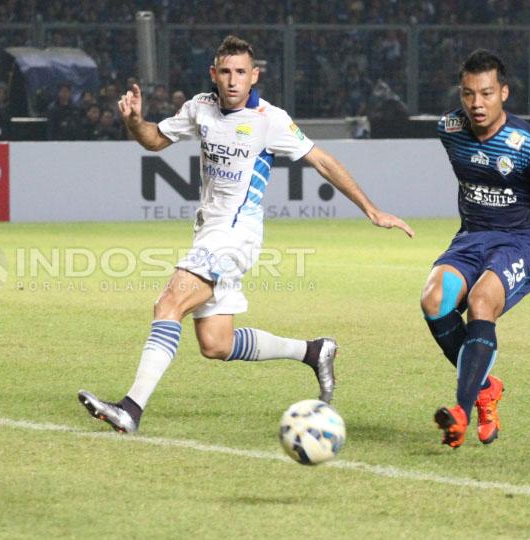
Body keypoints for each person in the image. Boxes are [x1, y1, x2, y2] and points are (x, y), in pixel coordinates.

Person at [78, 35, 414, 434]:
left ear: (254, 76)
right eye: (226, 72)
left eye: (241, 72)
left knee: (169, 302)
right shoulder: (199, 108)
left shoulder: (269, 120)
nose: (233, 80)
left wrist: (371, 209)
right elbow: (154, 140)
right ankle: (314, 351)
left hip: (237, 235)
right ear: (213, 75)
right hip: (208, 232)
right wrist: (134, 121)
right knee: (216, 344)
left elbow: (322, 160)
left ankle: (130, 410)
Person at [424, 49, 530, 448]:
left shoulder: (528, 146)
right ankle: (486, 388)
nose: (477, 104)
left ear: (504, 93)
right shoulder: (449, 129)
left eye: (486, 93)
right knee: (434, 299)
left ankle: (462, 412)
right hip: (471, 238)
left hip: (520, 242)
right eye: (469, 94)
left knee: (482, 302)